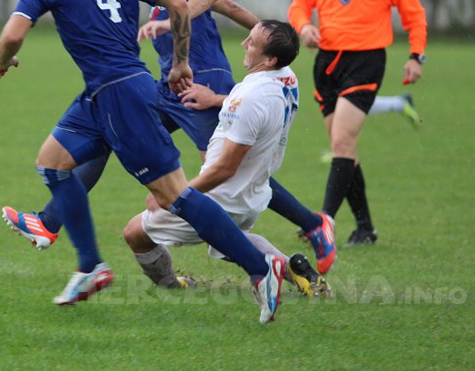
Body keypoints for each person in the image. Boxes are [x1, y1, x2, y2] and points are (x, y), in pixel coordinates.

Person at [0, 0, 286, 323]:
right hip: (103, 92)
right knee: (52, 164)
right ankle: (90, 264)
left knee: (176, 197)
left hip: (119, 95)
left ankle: (262, 270)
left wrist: (2, 61)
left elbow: (14, 33)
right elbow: (180, 5)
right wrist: (180, 61)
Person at [123, 20, 330, 297]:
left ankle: (172, 286)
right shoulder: (287, 77)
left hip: (223, 197)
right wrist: (217, 98)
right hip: (255, 190)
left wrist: (173, 197)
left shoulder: (249, 98)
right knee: (227, 242)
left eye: (252, 43)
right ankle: (298, 273)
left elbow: (224, 169)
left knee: (135, 233)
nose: (244, 43)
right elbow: (255, 106)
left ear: (269, 59)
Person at [288, 0, 428, 245]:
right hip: (327, 63)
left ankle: (323, 222)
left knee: (342, 142)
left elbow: (413, 13)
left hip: (366, 60)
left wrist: (416, 56)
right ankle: (365, 228)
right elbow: (298, 6)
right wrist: (304, 27)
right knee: (343, 149)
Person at [309, 0, 421, 129]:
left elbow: (412, 12)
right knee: (342, 117)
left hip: (363, 54)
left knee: (350, 106)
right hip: (329, 55)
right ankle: (342, 153)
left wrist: (416, 55)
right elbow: (314, 6)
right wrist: (307, 28)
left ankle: (397, 103)